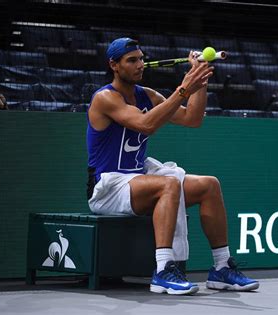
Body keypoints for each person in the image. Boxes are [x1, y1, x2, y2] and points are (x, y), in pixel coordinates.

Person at [86, 37, 259, 295]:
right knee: (168, 184)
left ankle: (221, 268)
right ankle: (164, 269)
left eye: (141, 59)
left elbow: (193, 118)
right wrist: (183, 90)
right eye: (131, 60)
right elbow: (146, 125)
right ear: (114, 65)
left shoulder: (148, 95)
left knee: (209, 185)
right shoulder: (105, 98)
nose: (140, 64)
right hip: (108, 187)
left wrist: (198, 77)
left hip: (137, 180)